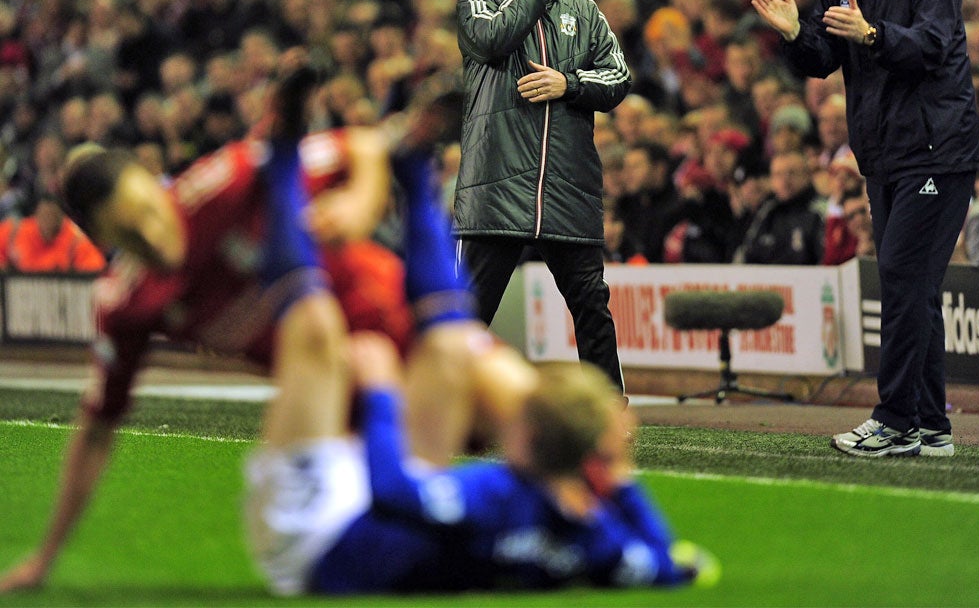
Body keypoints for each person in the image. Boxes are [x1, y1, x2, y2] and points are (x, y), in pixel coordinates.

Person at [0, 70, 535, 594]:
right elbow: (97, 428)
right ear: (99, 238)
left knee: (527, 405)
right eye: (129, 233)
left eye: (148, 210)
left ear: (155, 183)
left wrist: (360, 200)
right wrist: (46, 556)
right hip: (333, 399)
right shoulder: (128, 305)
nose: (152, 233)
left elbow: (364, 146)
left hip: (405, 325)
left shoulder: (223, 181)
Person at [752, 0, 979, 457]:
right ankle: (932, 426)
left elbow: (935, 46)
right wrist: (793, 32)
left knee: (902, 280)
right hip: (883, 157)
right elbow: (823, 57)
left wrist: (873, 34)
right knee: (916, 287)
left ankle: (894, 419)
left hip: (937, 150)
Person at [301, 340, 716, 594]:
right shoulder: (590, 537)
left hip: (333, 556)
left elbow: (393, 491)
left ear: (524, 437)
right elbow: (664, 564)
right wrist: (620, 475)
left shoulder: (494, 493)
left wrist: (379, 393)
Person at [454, 0, 631, 393]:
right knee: (467, 313)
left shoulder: (584, 9)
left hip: (567, 187)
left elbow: (618, 77)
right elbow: (491, 40)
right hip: (497, 188)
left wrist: (568, 82)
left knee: (592, 306)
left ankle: (607, 414)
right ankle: (438, 409)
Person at [733, 150, 826, 265]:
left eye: (792, 173)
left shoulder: (820, 211)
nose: (785, 180)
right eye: (778, 175)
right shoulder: (766, 212)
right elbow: (746, 255)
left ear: (807, 175)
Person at [0, 193, 106, 272]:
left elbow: (96, 269)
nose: (48, 221)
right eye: (44, 215)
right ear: (36, 215)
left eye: (52, 215)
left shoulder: (76, 241)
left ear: (62, 217)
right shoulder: (16, 231)